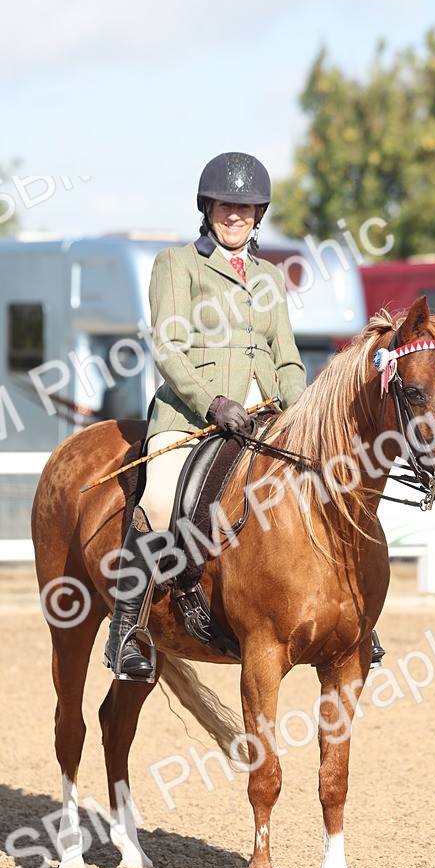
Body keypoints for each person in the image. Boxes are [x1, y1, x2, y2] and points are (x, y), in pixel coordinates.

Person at [104, 151, 307, 681]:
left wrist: (303, 415)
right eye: (225, 205)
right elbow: (168, 348)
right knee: (159, 494)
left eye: (245, 207)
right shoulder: (178, 265)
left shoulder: (270, 277)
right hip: (194, 418)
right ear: (208, 208)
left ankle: (345, 615)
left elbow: (286, 357)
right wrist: (214, 404)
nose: (234, 215)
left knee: (320, 485)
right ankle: (127, 630)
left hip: (267, 417)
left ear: (259, 213)